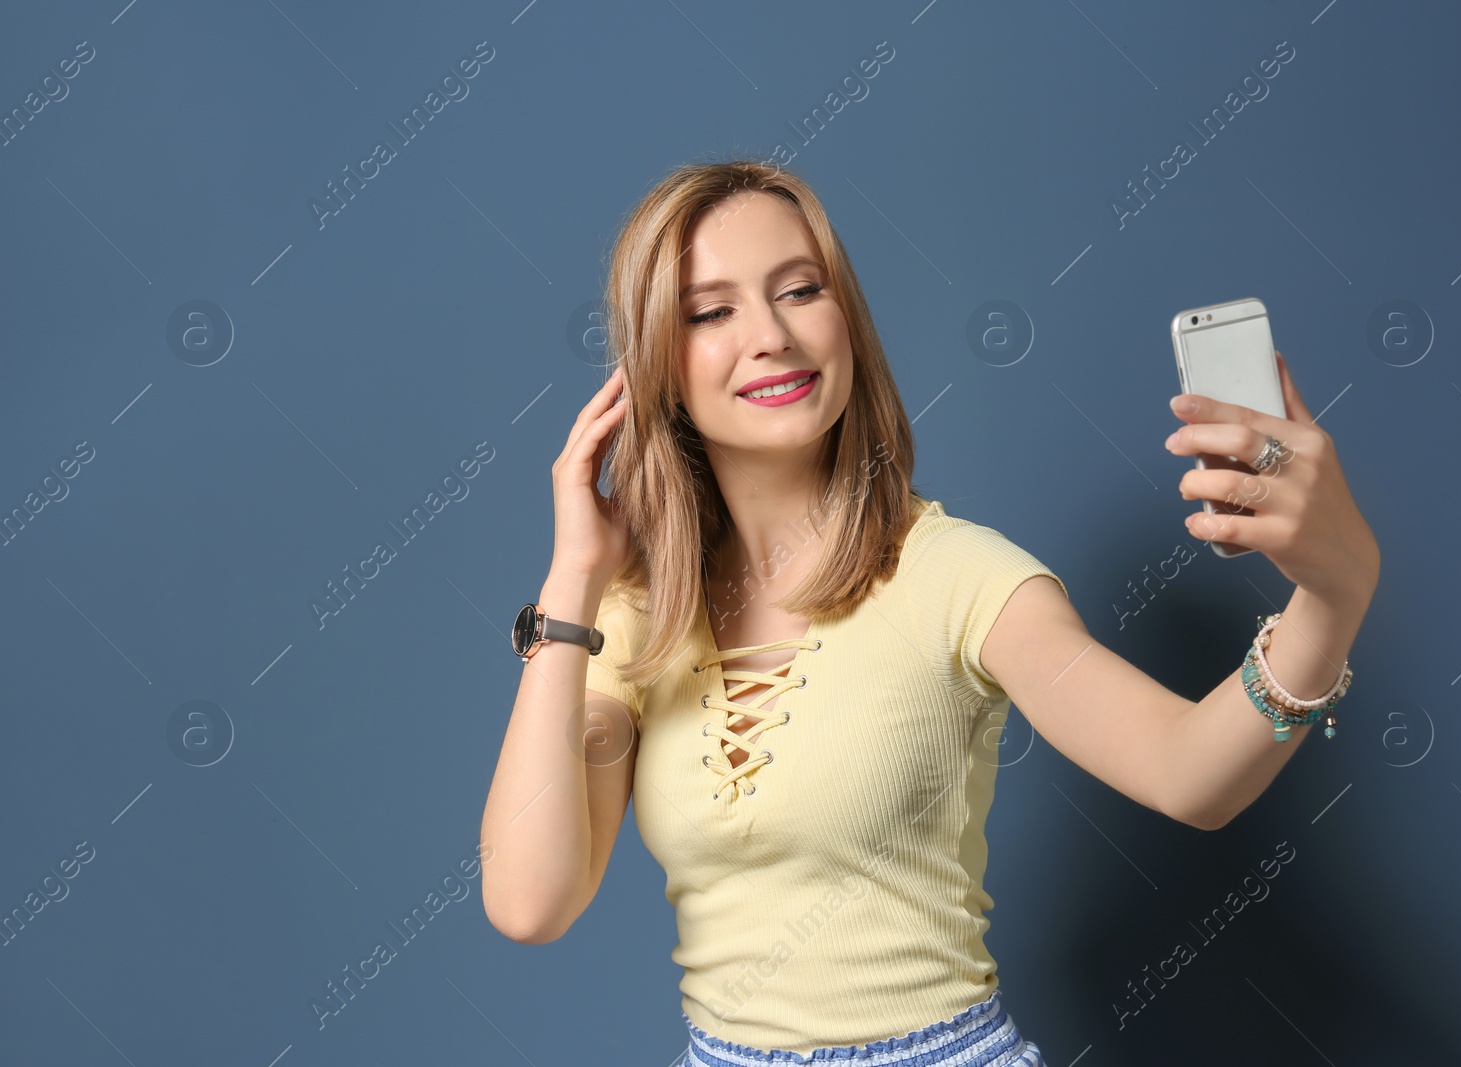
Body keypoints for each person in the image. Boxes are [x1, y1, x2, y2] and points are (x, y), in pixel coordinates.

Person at [478, 160, 1380, 1065]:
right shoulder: (637, 616)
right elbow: (529, 901)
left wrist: (1335, 592)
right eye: (711, 311)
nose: (771, 336)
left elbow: (1191, 773)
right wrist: (573, 581)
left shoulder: (955, 574)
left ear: (848, 324)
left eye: (800, 290)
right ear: (655, 368)